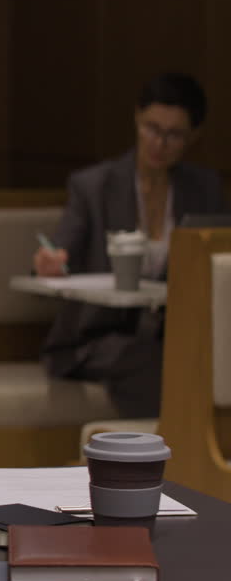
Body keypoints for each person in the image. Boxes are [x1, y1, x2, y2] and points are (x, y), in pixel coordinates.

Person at [33, 73, 224, 418]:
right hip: (93, 339)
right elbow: (61, 249)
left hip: (172, 333)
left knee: (189, 355)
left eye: (174, 135)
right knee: (157, 362)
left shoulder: (205, 189)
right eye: (152, 128)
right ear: (137, 117)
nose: (159, 143)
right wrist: (50, 262)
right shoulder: (94, 186)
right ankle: (172, 456)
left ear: (194, 136)